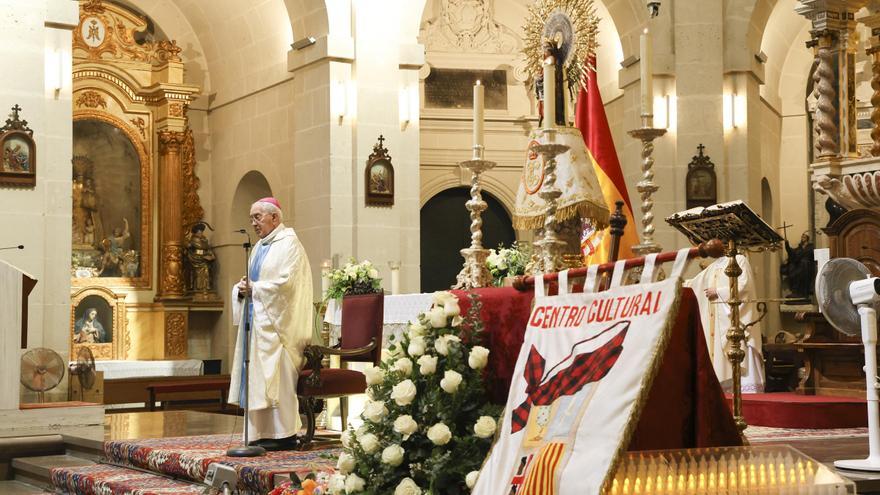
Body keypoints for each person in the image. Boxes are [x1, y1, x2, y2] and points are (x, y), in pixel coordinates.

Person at [229, 197, 313, 450]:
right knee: (256, 377)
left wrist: (257, 288)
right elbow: (254, 281)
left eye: (257, 217)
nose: (253, 223)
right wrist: (241, 289)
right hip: (257, 324)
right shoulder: (258, 247)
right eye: (251, 218)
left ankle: (284, 434)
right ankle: (259, 433)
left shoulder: (289, 245)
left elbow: (288, 285)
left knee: (278, 379)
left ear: (274, 217)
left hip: (278, 328)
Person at [685, 254, 765, 394]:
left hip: (735, 319)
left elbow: (745, 286)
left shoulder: (739, 259)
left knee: (740, 351)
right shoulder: (715, 264)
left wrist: (719, 292)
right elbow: (695, 283)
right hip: (718, 321)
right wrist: (674, 284)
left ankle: (747, 391)